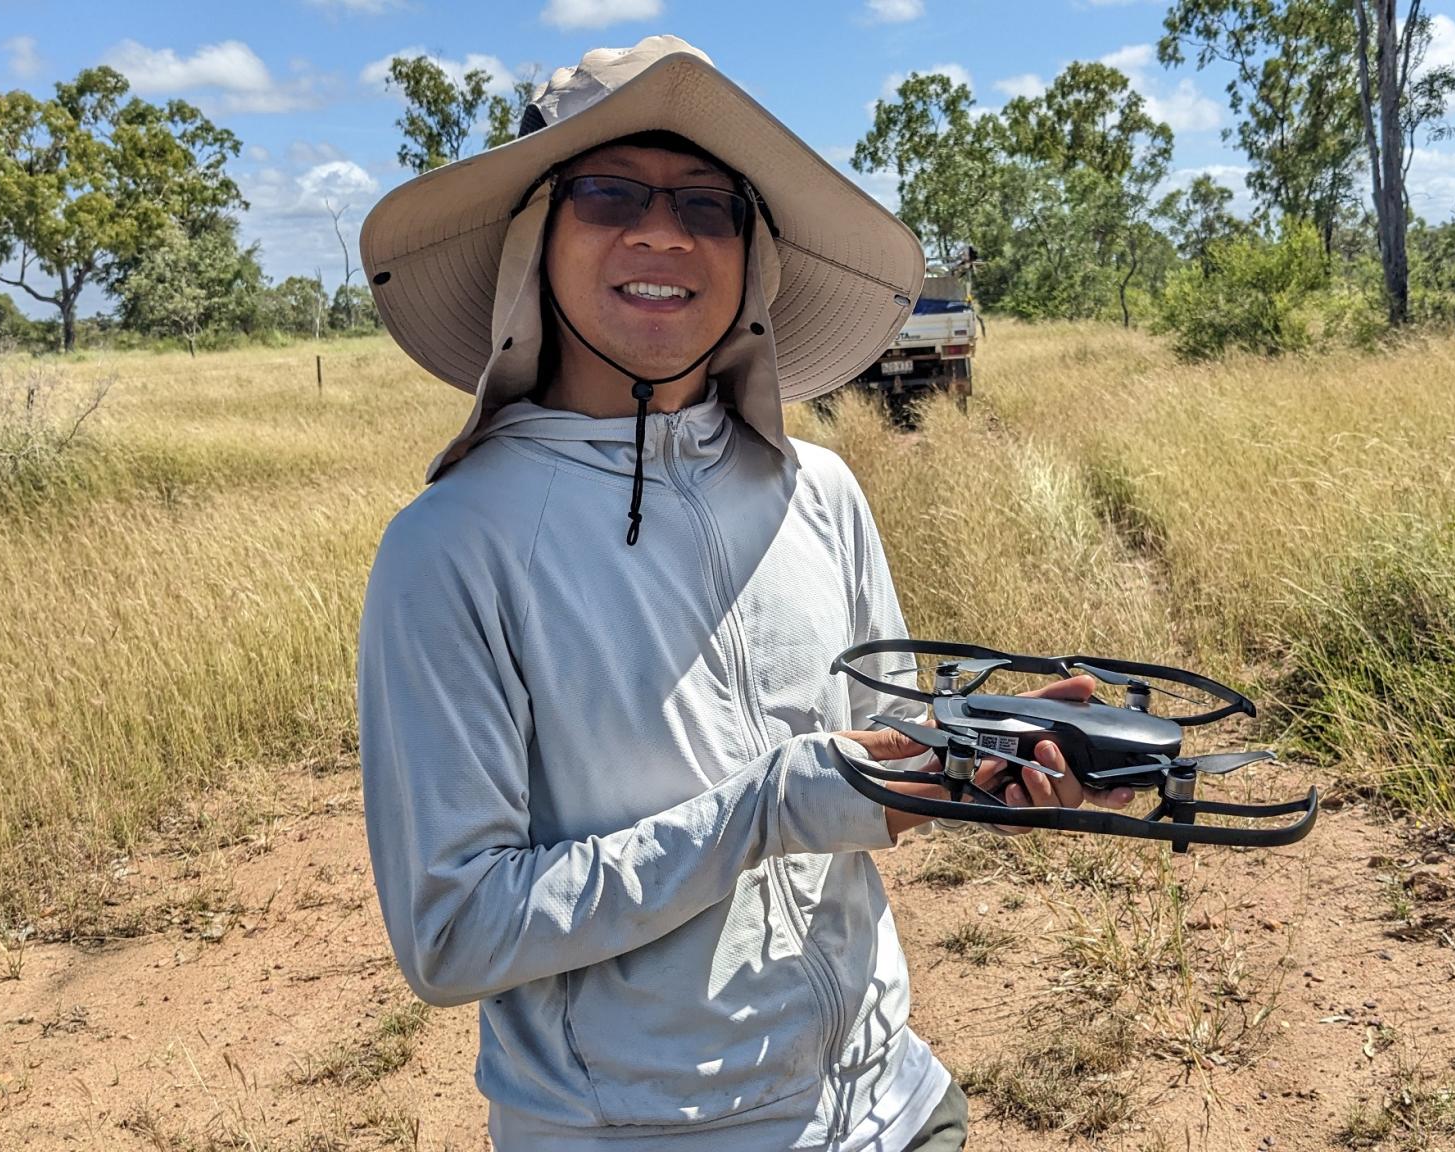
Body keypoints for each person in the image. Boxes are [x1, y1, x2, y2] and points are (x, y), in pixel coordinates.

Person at [354, 36, 1132, 1151]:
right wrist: (761, 810)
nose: (662, 231)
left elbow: (886, 752)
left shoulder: (818, 489)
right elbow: (452, 932)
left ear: (752, 258)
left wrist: (998, 754)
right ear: (534, 240)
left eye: (709, 206)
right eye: (608, 192)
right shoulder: (451, 547)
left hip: (895, 1103)